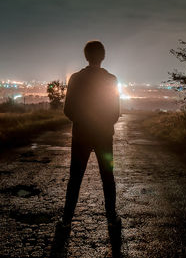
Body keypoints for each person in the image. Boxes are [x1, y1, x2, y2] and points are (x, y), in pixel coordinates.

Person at [61, 40, 121, 229]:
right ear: (103, 57)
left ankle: (66, 220)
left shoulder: (76, 78)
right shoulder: (111, 79)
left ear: (86, 56)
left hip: (81, 135)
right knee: (107, 176)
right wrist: (103, 123)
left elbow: (68, 110)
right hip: (104, 136)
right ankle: (111, 218)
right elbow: (115, 112)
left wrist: (83, 121)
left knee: (76, 178)